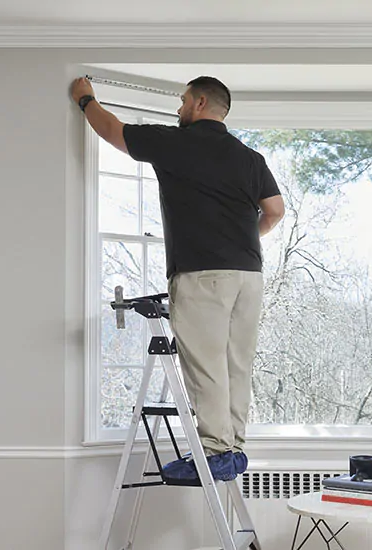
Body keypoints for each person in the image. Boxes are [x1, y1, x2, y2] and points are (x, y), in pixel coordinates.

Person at [71, 75, 285, 481]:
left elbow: (113, 132)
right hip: (249, 277)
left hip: (203, 274)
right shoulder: (250, 159)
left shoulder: (176, 142)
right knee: (236, 364)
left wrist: (85, 100)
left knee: (205, 366)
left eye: (183, 101)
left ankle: (215, 450)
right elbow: (274, 211)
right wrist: (239, 240)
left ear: (200, 103)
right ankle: (234, 447)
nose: (178, 108)